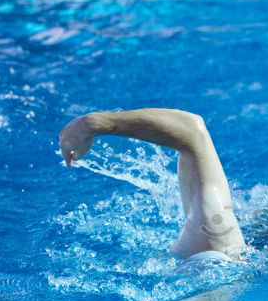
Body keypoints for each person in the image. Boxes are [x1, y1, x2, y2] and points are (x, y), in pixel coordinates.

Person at [58, 108, 248, 264]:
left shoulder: (216, 241)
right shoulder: (216, 243)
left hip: (210, 262)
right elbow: (191, 129)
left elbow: (193, 131)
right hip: (212, 264)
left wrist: (98, 124)